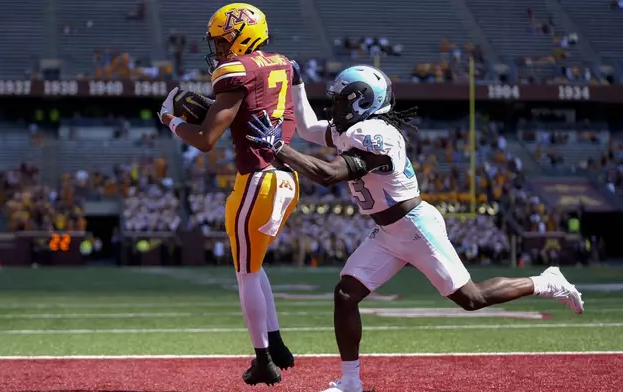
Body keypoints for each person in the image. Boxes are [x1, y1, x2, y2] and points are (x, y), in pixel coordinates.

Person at [245, 63, 585, 392]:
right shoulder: (350, 130)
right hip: (388, 232)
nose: (334, 106)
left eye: (341, 99)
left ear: (362, 101)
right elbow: (307, 128)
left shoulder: (376, 134)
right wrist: (297, 83)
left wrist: (279, 149)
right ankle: (350, 383)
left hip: (414, 227)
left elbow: (329, 174)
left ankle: (547, 282)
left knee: (472, 298)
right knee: (346, 294)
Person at [157, 3, 298, 386]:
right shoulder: (283, 63)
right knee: (254, 263)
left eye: (223, 42)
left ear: (243, 36)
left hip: (257, 180)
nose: (218, 51)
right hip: (286, 177)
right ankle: (277, 343)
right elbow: (270, 110)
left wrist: (169, 120)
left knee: (245, 273)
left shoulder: (235, 71)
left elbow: (204, 140)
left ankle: (263, 359)